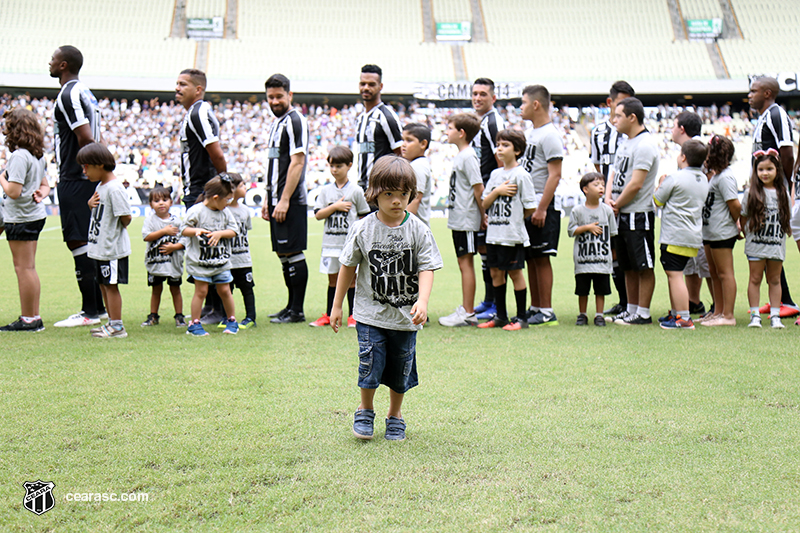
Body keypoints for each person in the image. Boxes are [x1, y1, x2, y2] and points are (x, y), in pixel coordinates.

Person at [329, 156, 443, 441]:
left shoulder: (418, 229)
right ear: (374, 193)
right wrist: (336, 306)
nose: (396, 201)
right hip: (370, 313)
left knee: (400, 366)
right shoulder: (363, 228)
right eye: (389, 193)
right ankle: (365, 409)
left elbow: (426, 267)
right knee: (369, 362)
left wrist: (423, 301)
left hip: (405, 317)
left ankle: (395, 414)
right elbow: (348, 267)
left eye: (403, 194)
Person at [49, 45, 106, 328]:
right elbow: (98, 136)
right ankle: (99, 307)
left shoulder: (69, 93)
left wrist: (88, 172)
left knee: (78, 240)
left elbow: (85, 138)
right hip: (84, 177)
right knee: (87, 240)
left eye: (53, 58)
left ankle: (90, 311)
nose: (49, 61)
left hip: (75, 177)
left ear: (63, 65)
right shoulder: (86, 93)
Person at [175, 68, 228, 325]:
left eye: (183, 84)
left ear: (198, 89)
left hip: (202, 190)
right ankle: (209, 307)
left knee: (208, 248)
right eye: (177, 83)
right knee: (200, 247)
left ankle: (216, 309)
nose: (177, 88)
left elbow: (215, 151)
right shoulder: (193, 113)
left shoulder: (199, 112)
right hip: (196, 189)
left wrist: (222, 184)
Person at [260, 74, 310, 324]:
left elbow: (297, 162)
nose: (275, 101)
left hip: (291, 200)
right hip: (277, 199)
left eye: (279, 96)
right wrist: (268, 200)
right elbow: (274, 165)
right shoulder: (277, 123)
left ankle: (297, 311)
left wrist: (284, 200)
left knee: (293, 251)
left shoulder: (294, 120)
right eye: (270, 97)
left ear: (290, 95)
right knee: (283, 254)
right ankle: (289, 307)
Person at [747, 76, 797, 319]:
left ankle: (786, 300)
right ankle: (779, 299)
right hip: (762, 191)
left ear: (767, 93)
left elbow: (786, 152)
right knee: (767, 244)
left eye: (753, 91)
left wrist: (786, 187)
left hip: (775, 194)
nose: (749, 95)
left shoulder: (777, 115)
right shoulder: (763, 117)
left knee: (774, 242)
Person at [607, 97, 660, 326]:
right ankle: (631, 309)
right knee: (627, 265)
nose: (613, 120)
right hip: (622, 213)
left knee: (643, 265)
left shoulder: (644, 144)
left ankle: (644, 312)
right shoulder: (625, 142)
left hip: (638, 214)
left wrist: (616, 204)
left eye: (618, 115)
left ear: (632, 117)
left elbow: (636, 183)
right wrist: (609, 198)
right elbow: (613, 173)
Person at [477, 129, 535, 330]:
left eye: (505, 145)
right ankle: (500, 316)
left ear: (517, 150)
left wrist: (515, 220)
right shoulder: (495, 174)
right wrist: (498, 191)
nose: (500, 148)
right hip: (494, 235)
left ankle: (521, 319)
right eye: (498, 144)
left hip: (512, 236)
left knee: (515, 273)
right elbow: (485, 203)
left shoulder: (521, 175)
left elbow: (530, 207)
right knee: (495, 273)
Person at [0, 108, 50, 332]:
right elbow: (45, 184)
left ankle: (30, 318)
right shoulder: (37, 154)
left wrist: (1, 177)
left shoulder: (19, 156)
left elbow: (13, 191)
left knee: (24, 269)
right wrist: (41, 192)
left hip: (20, 218)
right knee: (28, 267)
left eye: (8, 126)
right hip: (33, 215)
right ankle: (33, 316)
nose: (5, 131)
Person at [653, 139, 710, 330]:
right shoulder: (703, 179)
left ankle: (683, 318)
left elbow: (657, 200)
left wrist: (660, 184)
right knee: (676, 274)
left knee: (675, 275)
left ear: (683, 157)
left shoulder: (675, 178)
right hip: (693, 236)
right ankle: (677, 313)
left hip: (674, 235)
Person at [519, 85, 564, 326]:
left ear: (536, 104)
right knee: (533, 257)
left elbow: (554, 174)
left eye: (524, 103)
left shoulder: (550, 134)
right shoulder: (532, 133)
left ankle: (546, 310)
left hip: (541, 204)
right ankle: (535, 307)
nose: (521, 108)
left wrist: (542, 208)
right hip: (529, 204)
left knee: (543, 256)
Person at [310, 146, 369, 328]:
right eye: (331, 166)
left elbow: (364, 215)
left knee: (351, 279)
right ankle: (329, 315)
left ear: (349, 166)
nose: (334, 170)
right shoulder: (326, 191)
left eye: (339, 166)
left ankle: (353, 315)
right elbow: (318, 214)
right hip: (330, 243)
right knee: (333, 279)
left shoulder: (356, 191)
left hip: (348, 244)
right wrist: (335, 207)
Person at [590, 81, 634, 317]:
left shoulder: (632, 134)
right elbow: (598, 167)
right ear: (610, 103)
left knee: (627, 251)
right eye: (620, 103)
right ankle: (622, 301)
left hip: (627, 201)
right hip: (606, 203)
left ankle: (632, 304)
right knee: (612, 251)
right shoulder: (598, 132)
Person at [79, 143, 132, 339]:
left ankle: (117, 326)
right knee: (103, 284)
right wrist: (89, 204)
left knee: (110, 286)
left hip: (112, 249)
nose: (84, 171)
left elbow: (125, 218)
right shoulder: (101, 186)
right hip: (100, 247)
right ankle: (111, 323)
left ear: (99, 165)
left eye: (86, 166)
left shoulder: (115, 188)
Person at [438, 113, 484, 327]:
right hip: (459, 217)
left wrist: (483, 215)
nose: (447, 132)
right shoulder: (462, 155)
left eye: (450, 128)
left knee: (466, 263)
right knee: (462, 262)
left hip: (467, 218)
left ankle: (467, 312)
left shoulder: (469, 156)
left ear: (461, 133)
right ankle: (466, 309)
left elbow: (478, 188)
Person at [181, 175, 239, 336]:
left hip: (221, 262)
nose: (228, 203)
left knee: (225, 290)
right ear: (215, 198)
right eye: (227, 199)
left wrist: (220, 233)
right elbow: (183, 229)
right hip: (200, 262)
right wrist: (196, 231)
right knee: (201, 292)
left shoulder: (225, 212)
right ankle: (195, 324)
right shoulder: (196, 211)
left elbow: (234, 231)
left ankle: (231, 320)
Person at [741, 149, 792, 329]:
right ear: (755, 171)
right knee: (755, 279)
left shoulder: (782, 193)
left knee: (775, 279)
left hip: (776, 245)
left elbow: (787, 219)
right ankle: (755, 315)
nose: (765, 173)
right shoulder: (751, 193)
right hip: (756, 245)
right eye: (761, 169)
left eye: (769, 168)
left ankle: (775, 316)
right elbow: (744, 217)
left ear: (777, 169)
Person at [669, 110, 713, 318]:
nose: (671, 128)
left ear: (682, 129)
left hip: (702, 219)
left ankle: (718, 305)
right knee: (693, 263)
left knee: (707, 264)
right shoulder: (690, 150)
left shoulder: (700, 151)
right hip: (694, 220)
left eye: (673, 124)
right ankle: (694, 301)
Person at [471, 78, 506, 319]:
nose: (478, 98)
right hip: (482, 193)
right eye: (475, 93)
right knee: (483, 248)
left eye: (483, 94)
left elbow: (500, 157)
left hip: (489, 195)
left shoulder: (494, 121)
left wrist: (492, 193)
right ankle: (488, 299)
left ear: (493, 98)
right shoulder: (481, 121)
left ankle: (494, 304)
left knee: (490, 249)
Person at [700, 135, 740, 326]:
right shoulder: (716, 176)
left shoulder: (726, 177)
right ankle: (718, 312)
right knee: (714, 273)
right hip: (710, 232)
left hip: (722, 232)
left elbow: (735, 205)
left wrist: (737, 224)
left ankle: (728, 315)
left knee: (725, 273)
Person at [567, 172, 617, 327]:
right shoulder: (577, 211)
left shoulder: (607, 211)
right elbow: (571, 231)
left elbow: (613, 233)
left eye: (602, 184)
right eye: (596, 185)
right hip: (583, 260)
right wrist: (586, 228)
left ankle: (599, 315)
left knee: (600, 289)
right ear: (585, 189)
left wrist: (613, 255)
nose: (601, 187)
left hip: (601, 260)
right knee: (583, 289)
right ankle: (582, 314)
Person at [141, 187, 186, 327]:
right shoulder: (150, 221)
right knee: (156, 289)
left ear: (171, 202)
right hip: (156, 262)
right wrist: (164, 231)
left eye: (165, 200)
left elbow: (185, 240)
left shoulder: (177, 221)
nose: (161, 203)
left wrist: (174, 247)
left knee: (175, 289)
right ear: (150, 205)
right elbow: (147, 236)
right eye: (156, 200)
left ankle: (179, 316)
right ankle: (153, 315)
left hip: (173, 263)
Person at [354, 64, 402, 192]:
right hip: (361, 188)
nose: (366, 88)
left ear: (380, 87)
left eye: (371, 84)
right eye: (363, 84)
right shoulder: (360, 119)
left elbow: (400, 153)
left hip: (380, 188)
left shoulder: (386, 116)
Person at [225, 173, 257, 329]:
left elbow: (247, 230)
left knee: (247, 288)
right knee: (227, 289)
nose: (245, 188)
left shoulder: (245, 210)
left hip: (243, 257)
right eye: (242, 185)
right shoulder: (224, 210)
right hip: (227, 259)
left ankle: (251, 317)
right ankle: (228, 317)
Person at [401, 123, 433, 227]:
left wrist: (402, 225)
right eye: (403, 140)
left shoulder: (418, 166)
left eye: (409, 140)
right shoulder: (416, 164)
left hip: (415, 229)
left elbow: (415, 199)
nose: (403, 144)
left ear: (423, 144)